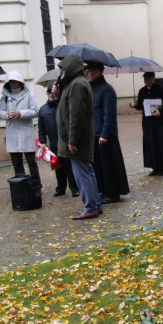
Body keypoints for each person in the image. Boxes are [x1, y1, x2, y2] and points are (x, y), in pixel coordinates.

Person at [58, 55, 102, 220]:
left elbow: (76, 114)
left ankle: (90, 207)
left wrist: (72, 140)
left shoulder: (77, 85)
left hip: (78, 138)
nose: (61, 72)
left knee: (82, 173)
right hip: (80, 137)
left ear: (70, 69)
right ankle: (95, 205)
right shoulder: (76, 83)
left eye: (63, 69)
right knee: (87, 171)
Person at [84, 61, 129, 203]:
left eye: (89, 71)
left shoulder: (107, 89)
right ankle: (102, 191)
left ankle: (113, 193)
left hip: (105, 135)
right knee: (98, 166)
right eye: (86, 71)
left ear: (99, 71)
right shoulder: (90, 89)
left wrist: (104, 134)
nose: (87, 74)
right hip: (93, 133)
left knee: (109, 165)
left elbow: (108, 115)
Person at [0, 71, 41, 187]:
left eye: (15, 82)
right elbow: (0, 111)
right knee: (17, 163)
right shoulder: (5, 98)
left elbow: (36, 111)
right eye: (11, 82)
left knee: (31, 162)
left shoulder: (28, 95)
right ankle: (21, 186)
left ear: (20, 82)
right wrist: (5, 115)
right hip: (12, 133)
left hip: (25, 132)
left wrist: (21, 113)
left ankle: (36, 185)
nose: (13, 84)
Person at [38, 82, 78, 197]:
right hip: (53, 143)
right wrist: (42, 142)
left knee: (68, 167)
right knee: (57, 167)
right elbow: (41, 129)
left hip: (65, 142)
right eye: (49, 92)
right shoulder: (43, 110)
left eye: (53, 91)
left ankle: (74, 188)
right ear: (47, 93)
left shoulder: (61, 106)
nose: (51, 94)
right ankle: (60, 187)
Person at [133, 71, 163, 176]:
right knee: (150, 145)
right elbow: (140, 107)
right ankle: (154, 167)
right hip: (147, 123)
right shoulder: (142, 91)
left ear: (153, 78)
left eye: (148, 78)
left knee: (161, 145)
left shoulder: (161, 90)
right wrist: (134, 104)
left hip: (159, 123)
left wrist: (160, 111)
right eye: (144, 78)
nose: (146, 80)